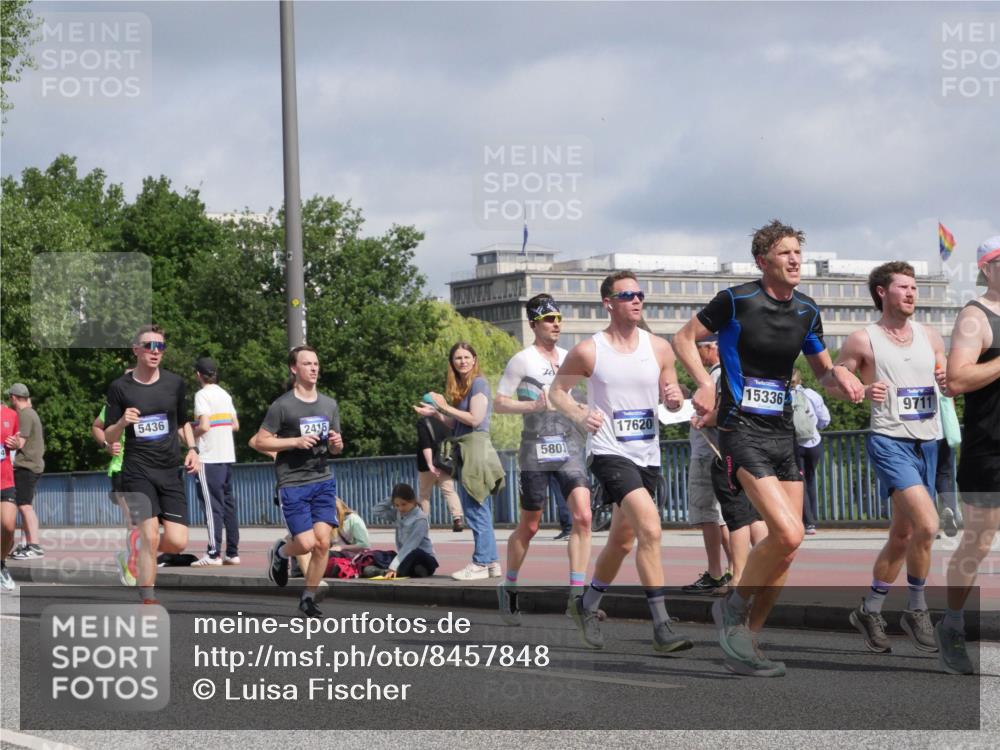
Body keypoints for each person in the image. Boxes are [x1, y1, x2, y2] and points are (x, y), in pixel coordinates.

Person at [674, 219, 864, 677]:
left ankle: (746, 641)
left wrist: (848, 379)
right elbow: (682, 339)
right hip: (740, 430)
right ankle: (734, 607)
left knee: (787, 547)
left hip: (783, 435)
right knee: (790, 532)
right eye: (785, 253)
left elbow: (822, 374)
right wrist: (703, 384)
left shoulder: (807, 310)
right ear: (763, 261)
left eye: (798, 252)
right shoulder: (736, 301)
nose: (796, 260)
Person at [550, 271, 693, 654]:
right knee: (651, 529)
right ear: (608, 303)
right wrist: (580, 414)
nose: (636, 300)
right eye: (626, 294)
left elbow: (670, 392)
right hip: (609, 451)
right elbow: (557, 392)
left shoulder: (659, 348)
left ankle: (586, 606)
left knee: (622, 541)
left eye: (639, 294)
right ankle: (662, 625)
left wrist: (675, 397)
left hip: (649, 453)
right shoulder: (589, 351)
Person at [829, 262, 947, 655]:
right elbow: (833, 379)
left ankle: (870, 608)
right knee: (928, 526)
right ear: (882, 292)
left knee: (904, 535)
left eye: (915, 287)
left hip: (928, 442)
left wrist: (950, 382)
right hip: (889, 441)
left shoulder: (930, 336)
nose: (912, 293)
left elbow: (945, 379)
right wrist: (858, 386)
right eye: (903, 287)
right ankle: (916, 610)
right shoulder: (863, 339)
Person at [495, 294, 592, 625]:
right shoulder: (522, 360)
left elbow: (579, 398)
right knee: (531, 525)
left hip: (569, 447)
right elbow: (500, 403)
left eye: (559, 318)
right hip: (535, 448)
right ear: (534, 324)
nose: (556, 324)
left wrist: (586, 414)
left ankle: (576, 598)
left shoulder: (569, 358)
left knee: (583, 516)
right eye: (549, 319)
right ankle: (508, 588)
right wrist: (532, 407)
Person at [936, 235, 1000, 675]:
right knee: (977, 543)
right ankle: (953, 624)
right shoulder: (976, 317)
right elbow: (956, 379)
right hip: (990, 448)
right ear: (988, 267)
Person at [103, 325, 200, 604]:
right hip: (137, 471)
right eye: (149, 346)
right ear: (136, 349)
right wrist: (122, 422)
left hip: (169, 470)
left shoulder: (174, 384)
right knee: (150, 534)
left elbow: (182, 423)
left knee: (177, 541)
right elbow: (108, 434)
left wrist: (193, 449)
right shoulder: (120, 388)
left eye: (160, 347)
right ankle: (148, 599)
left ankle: (137, 548)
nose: (156, 352)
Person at [256, 345, 344, 617]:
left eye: (316, 363)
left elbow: (335, 448)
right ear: (294, 368)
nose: (314, 368)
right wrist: (294, 441)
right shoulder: (282, 406)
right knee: (304, 544)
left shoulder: (329, 404)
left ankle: (308, 597)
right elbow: (260, 440)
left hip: (322, 479)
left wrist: (337, 444)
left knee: (323, 543)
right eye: (307, 364)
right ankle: (281, 552)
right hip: (292, 482)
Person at [415, 342, 503, 581]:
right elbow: (456, 423)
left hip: (475, 447)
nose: (462, 361)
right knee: (479, 506)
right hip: (466, 446)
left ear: (474, 360)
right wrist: (436, 414)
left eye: (466, 357)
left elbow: (475, 419)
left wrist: (443, 406)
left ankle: (481, 561)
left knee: (475, 508)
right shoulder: (464, 388)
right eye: (457, 358)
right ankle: (492, 562)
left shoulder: (479, 383)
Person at [682, 334, 733, 594]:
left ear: (713, 348)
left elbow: (721, 411)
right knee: (722, 517)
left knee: (707, 515)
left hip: (708, 452)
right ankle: (733, 571)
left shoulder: (714, 376)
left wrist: (700, 419)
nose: (698, 356)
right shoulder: (726, 373)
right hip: (723, 452)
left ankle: (715, 573)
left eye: (700, 349)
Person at [191, 357, 241, 567]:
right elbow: (235, 425)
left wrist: (190, 433)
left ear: (198, 375)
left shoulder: (201, 395)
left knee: (212, 507)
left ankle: (213, 553)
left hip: (209, 457)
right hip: (227, 455)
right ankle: (232, 552)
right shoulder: (225, 394)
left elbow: (204, 425)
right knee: (228, 505)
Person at [92, 398, 139, 586]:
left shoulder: (153, 402)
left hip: (147, 471)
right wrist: (106, 446)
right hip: (121, 470)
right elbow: (96, 426)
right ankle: (131, 566)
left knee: (148, 525)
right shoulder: (113, 408)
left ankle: (127, 557)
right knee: (134, 522)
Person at [790, 368, 831, 535]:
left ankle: (808, 522)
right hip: (814, 442)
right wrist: (815, 428)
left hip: (794, 443)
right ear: (801, 379)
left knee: (800, 482)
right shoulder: (812, 394)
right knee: (811, 478)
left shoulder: (783, 395)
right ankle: (813, 518)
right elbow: (825, 419)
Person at [6, 384, 45, 559]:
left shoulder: (25, 415)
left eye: (10, 398)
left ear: (14, 398)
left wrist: (7, 441)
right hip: (30, 465)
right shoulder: (30, 412)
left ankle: (34, 545)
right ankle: (25, 544)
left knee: (25, 506)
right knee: (23, 504)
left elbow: (19, 443)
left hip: (26, 466)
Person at [289, 498, 370, 578]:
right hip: (334, 552)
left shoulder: (353, 519)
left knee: (321, 555)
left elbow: (365, 545)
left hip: (350, 557)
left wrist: (341, 547)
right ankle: (298, 573)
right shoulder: (327, 522)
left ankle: (312, 574)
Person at [416, 415, 464, 532]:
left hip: (427, 465)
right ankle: (457, 519)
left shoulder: (423, 422)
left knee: (424, 495)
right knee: (449, 491)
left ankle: (424, 523)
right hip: (444, 463)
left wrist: (430, 464)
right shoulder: (446, 420)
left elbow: (425, 444)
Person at [384, 483, 439, 579]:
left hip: (424, 559)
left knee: (414, 553)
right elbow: (377, 510)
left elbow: (410, 546)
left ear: (413, 501)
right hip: (405, 558)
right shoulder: (398, 514)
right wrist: (392, 498)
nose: (400, 508)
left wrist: (393, 566)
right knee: (387, 555)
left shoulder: (420, 519)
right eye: (396, 505)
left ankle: (391, 571)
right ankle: (416, 570)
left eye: (404, 504)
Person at [934, 389, 961, 538]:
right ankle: (949, 508)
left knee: (923, 478)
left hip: (920, 434)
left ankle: (929, 523)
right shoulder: (941, 373)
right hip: (944, 431)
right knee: (944, 474)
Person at [1, 402, 20, 590]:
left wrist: (16, 444)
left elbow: (19, 440)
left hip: (5, 481)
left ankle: (0, 563)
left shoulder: (11, 415)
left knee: (8, 526)